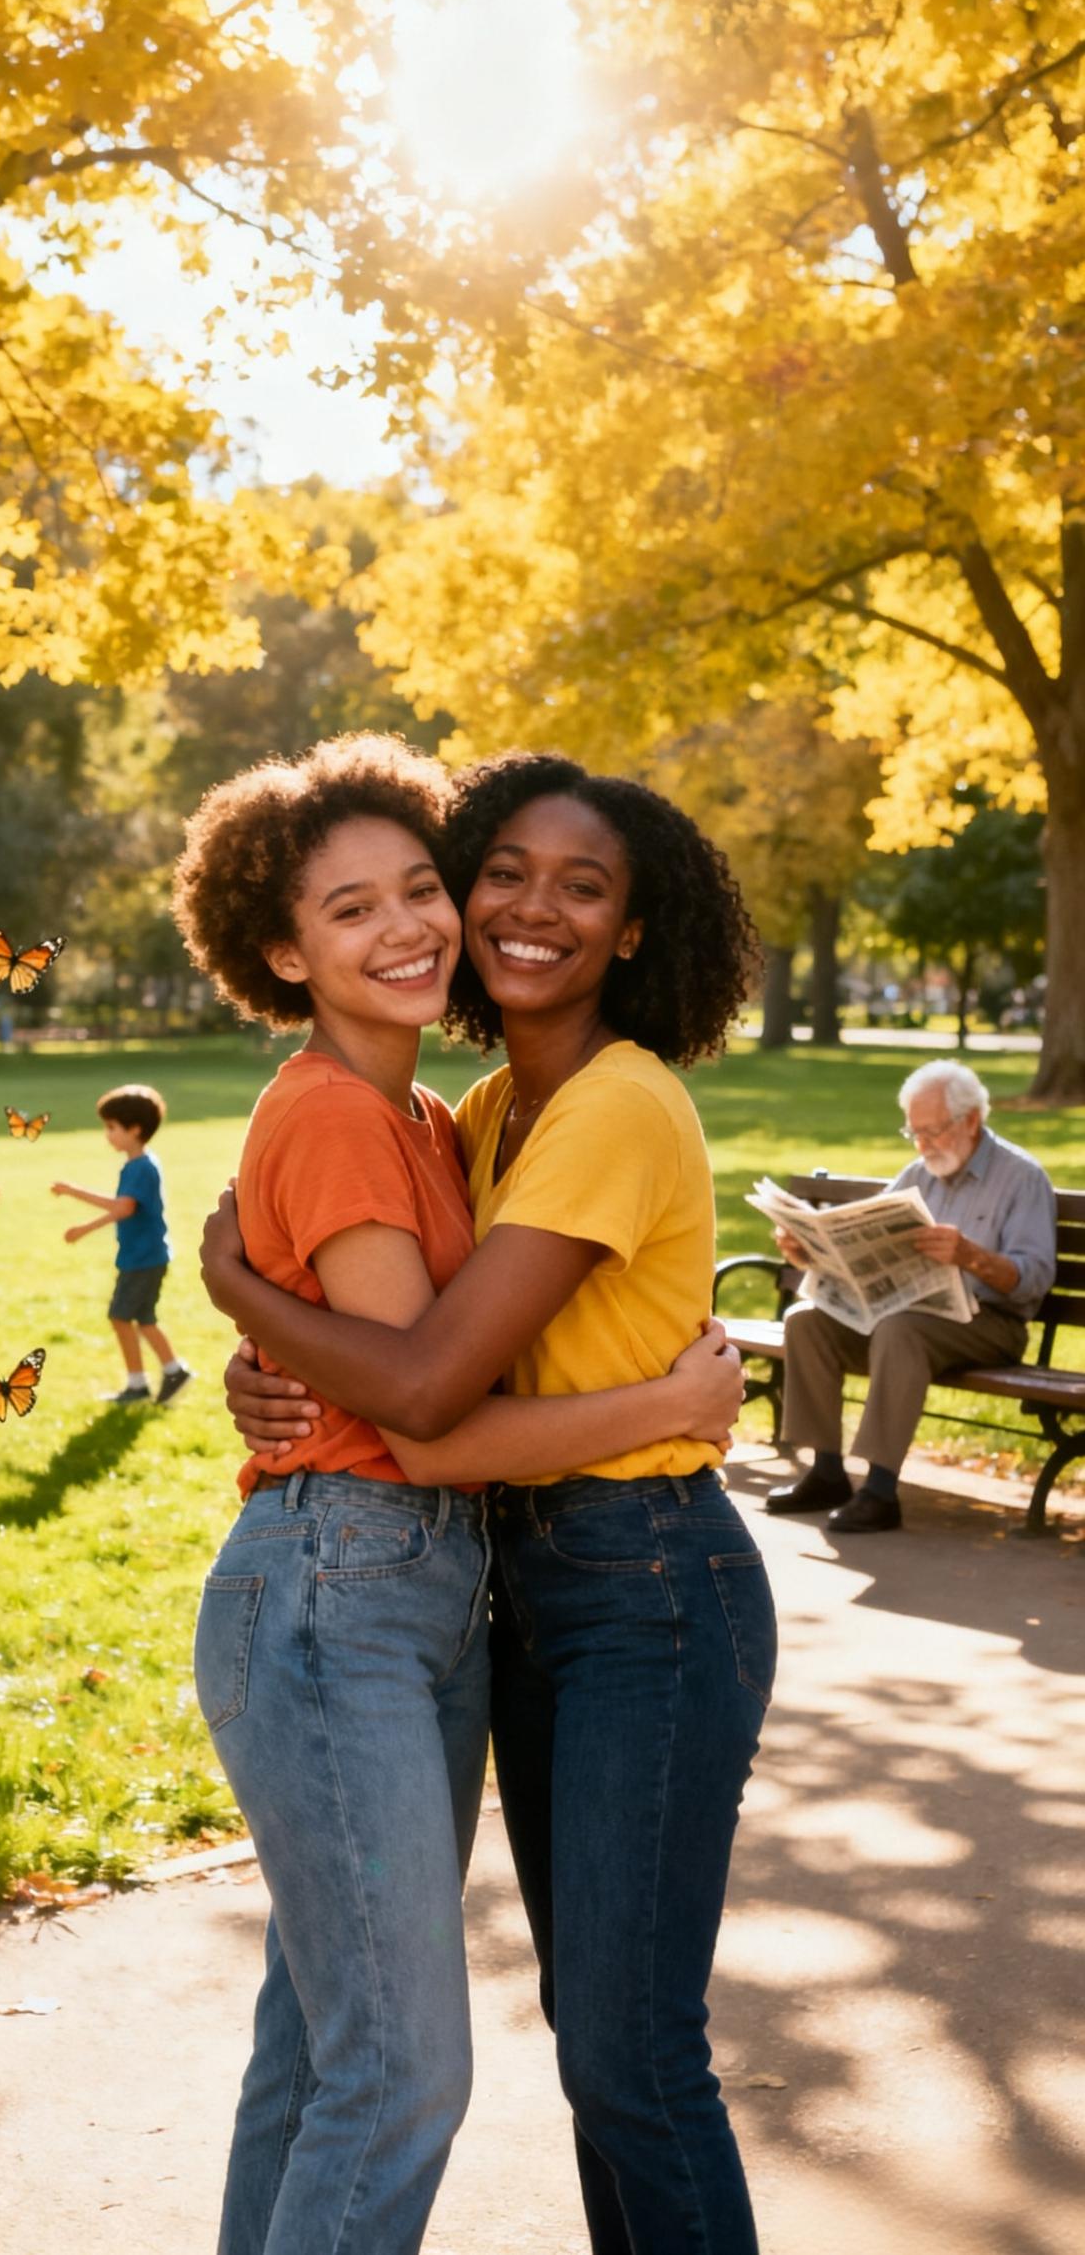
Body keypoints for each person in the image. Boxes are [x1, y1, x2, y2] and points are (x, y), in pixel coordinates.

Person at [171, 734, 745, 2255]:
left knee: (538, 2052)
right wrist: (252, 1310)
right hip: (424, 1574)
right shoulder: (430, 1112)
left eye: (420, 886)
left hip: (582, 1578)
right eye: (352, 910)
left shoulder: (515, 1111)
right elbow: (415, 1392)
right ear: (285, 950)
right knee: (402, 2065)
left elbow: (409, 1386)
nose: (433, 922)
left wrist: (250, 1297)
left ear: (637, 924)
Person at [766, 1058, 1057, 1533]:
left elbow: (1034, 1279)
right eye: (914, 1133)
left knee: (900, 1332)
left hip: (988, 1324)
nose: (923, 1144)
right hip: (906, 1316)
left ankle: (880, 1491)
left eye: (933, 1131)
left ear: (971, 1120)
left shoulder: (1022, 1178)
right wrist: (811, 1252)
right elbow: (867, 1250)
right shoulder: (918, 1174)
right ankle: (826, 1472)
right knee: (807, 1321)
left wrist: (972, 1257)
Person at [51, 1084, 192, 1406]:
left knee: (121, 1316)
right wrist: (74, 1192)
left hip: (143, 1258)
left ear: (135, 1129)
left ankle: (145, 1381)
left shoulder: (140, 1167)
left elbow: (123, 1208)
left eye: (112, 1127)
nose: (107, 1134)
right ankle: (165, 1374)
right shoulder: (140, 1164)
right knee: (142, 1319)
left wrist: (83, 1227)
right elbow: (122, 1204)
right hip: (144, 1256)